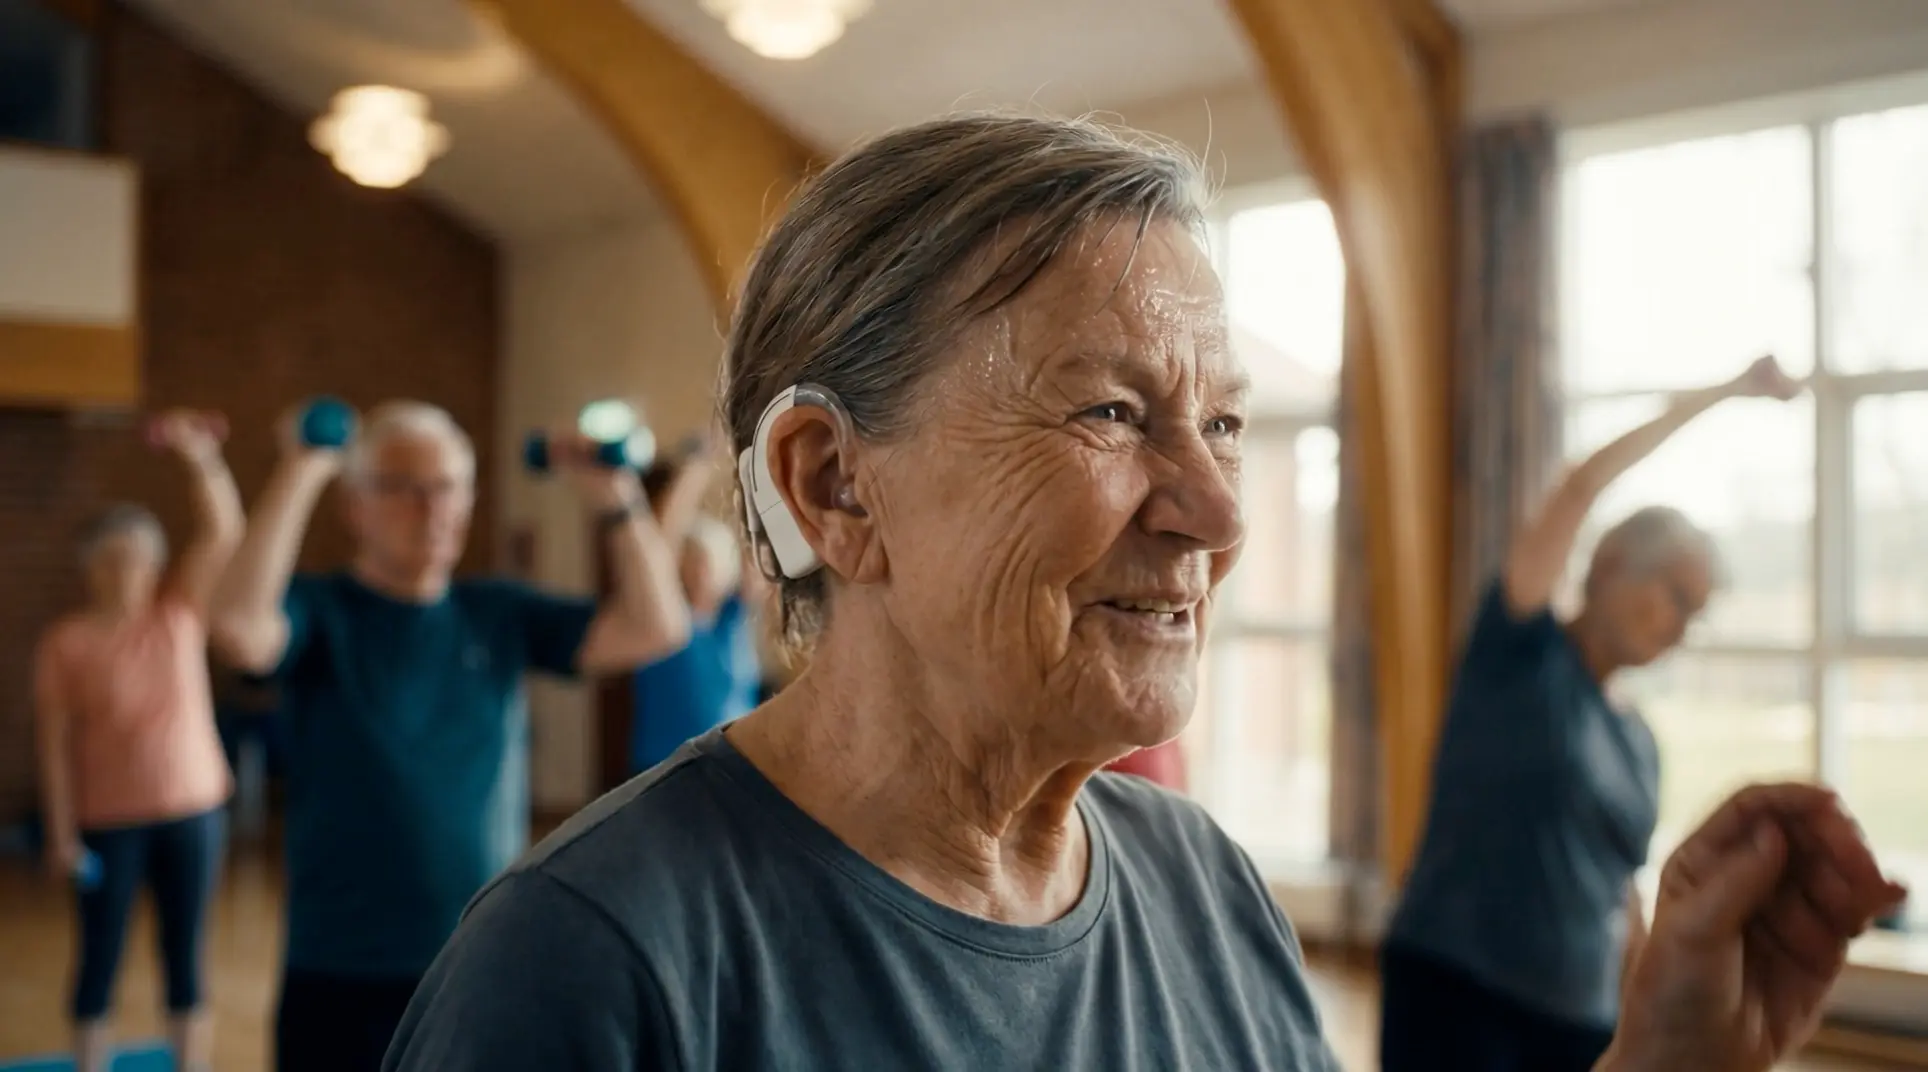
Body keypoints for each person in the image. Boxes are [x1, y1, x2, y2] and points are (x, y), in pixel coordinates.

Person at [379, 115, 1903, 1072]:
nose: (1220, 512)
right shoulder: (592, 970)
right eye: (1111, 415)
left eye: (1223, 422)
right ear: (837, 485)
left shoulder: (1203, 886)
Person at [206, 401, 691, 1072]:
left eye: (448, 488)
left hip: (482, 960)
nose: (431, 508)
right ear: (356, 507)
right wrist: (302, 468)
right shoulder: (322, 614)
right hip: (342, 968)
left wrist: (615, 498)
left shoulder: (496, 612)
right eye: (404, 488)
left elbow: (655, 627)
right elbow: (236, 626)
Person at [1381, 355, 1805, 1070]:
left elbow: (1618, 893)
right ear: (1610, 565)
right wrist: (1727, 392)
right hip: (1458, 990)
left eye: (1694, 614)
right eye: (1674, 593)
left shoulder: (1640, 742)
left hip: (1580, 1018)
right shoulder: (1519, 654)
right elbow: (1578, 487)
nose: (1679, 625)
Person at [34, 410, 244, 1072]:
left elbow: (224, 532)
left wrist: (198, 457)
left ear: (156, 565)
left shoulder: (178, 615)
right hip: (108, 822)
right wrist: (62, 834)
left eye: (141, 558)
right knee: (100, 954)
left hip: (194, 812)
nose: (129, 572)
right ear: (91, 569)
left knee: (186, 954)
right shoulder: (66, 642)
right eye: (115, 560)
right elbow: (53, 746)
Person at [626, 447, 768, 774]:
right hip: (661, 773)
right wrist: (695, 470)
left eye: (708, 562)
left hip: (732, 771)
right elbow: (662, 540)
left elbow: (761, 554)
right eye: (693, 560)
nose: (701, 571)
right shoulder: (662, 615)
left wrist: (751, 473)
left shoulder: (733, 618)